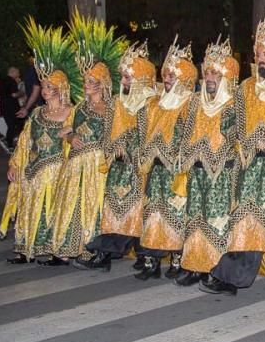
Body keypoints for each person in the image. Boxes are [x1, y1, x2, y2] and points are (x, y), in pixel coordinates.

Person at [203, 19, 265, 295]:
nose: (261, 59)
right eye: (259, 53)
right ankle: (232, 276)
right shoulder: (245, 88)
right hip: (250, 166)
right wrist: (237, 133)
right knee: (244, 221)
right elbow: (229, 121)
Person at [0, 20, 77, 263]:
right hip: (32, 167)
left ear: (61, 88)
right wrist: (14, 164)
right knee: (28, 206)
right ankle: (25, 249)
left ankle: (55, 251)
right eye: (43, 86)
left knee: (52, 209)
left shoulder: (71, 112)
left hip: (56, 169)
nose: (45, 91)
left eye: (50, 87)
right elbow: (24, 142)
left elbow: (74, 142)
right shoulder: (36, 113)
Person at [50, 15, 124, 264]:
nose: (87, 85)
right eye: (85, 81)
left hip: (98, 164)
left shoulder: (113, 106)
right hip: (76, 162)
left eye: (92, 82)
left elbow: (119, 133)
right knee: (71, 203)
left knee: (94, 205)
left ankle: (91, 249)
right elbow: (65, 129)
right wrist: (71, 137)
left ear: (102, 83)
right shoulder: (79, 106)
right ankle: (65, 249)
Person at [80, 42, 158, 269]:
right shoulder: (115, 101)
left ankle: (145, 258)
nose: (123, 82)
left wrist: (129, 147)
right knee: (114, 212)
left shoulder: (151, 103)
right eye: (123, 77)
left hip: (140, 169)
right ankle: (104, 255)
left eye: (128, 78)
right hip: (117, 166)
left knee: (139, 213)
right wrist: (111, 151)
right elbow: (108, 131)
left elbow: (150, 136)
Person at [174, 38, 241, 287]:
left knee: (217, 221)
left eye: (216, 73)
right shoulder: (193, 103)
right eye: (208, 72)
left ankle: (217, 268)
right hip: (197, 170)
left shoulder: (235, 104)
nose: (210, 77)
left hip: (222, 174)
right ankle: (193, 266)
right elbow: (180, 130)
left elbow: (239, 136)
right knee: (194, 220)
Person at [133, 39, 197, 279]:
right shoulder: (153, 105)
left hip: (178, 172)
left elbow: (191, 136)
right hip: (155, 169)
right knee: (153, 215)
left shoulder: (191, 104)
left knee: (177, 217)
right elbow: (142, 132)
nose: (168, 79)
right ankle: (151, 262)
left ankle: (177, 260)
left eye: (173, 75)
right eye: (166, 75)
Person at [0, 66, 21, 149]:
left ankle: (9, 142)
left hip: (4, 108)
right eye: (18, 72)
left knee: (11, 126)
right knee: (16, 125)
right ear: (12, 72)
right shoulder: (12, 81)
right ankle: (11, 144)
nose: (19, 74)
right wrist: (21, 92)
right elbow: (14, 94)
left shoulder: (1, 81)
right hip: (12, 108)